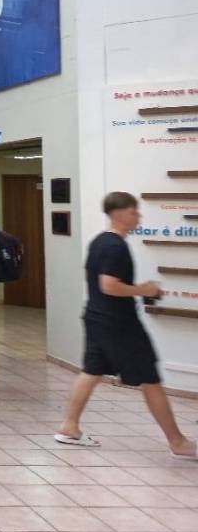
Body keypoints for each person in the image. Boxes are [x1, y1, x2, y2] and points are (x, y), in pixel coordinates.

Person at [55, 192, 197, 459]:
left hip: (96, 317)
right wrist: (144, 289)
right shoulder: (115, 247)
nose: (138, 216)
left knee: (91, 371)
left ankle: (69, 426)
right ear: (119, 214)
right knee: (150, 379)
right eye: (134, 212)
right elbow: (108, 285)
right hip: (119, 325)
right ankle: (177, 442)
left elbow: (91, 276)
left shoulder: (99, 241)